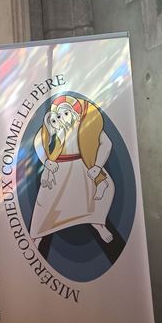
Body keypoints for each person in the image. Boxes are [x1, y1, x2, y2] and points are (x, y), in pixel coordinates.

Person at [31, 95, 115, 246]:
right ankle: (37, 237)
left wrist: (97, 167)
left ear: (74, 114)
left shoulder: (87, 126)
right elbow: (38, 141)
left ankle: (98, 223)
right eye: (59, 114)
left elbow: (106, 143)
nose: (62, 117)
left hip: (83, 165)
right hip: (59, 167)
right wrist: (47, 162)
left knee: (105, 190)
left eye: (66, 113)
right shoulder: (55, 126)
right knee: (44, 203)